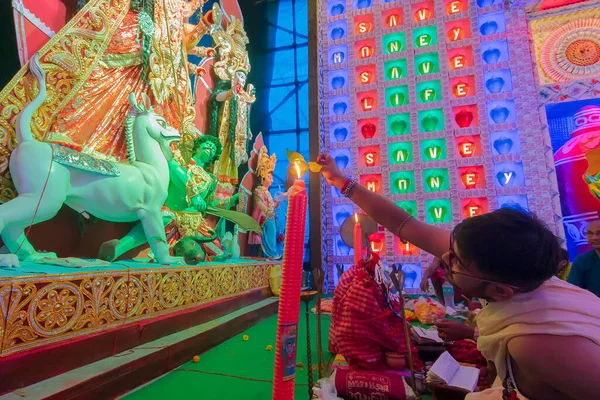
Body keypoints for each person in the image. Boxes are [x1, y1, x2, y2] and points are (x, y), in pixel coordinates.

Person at [317, 153, 600, 400]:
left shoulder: (537, 343)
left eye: (455, 260)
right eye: (450, 249)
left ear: (501, 292)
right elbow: (403, 223)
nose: (444, 259)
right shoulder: (502, 266)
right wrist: (341, 180)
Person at [568, 219, 600, 297]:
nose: (594, 238)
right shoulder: (582, 261)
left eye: (599, 233)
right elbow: (573, 292)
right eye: (590, 233)